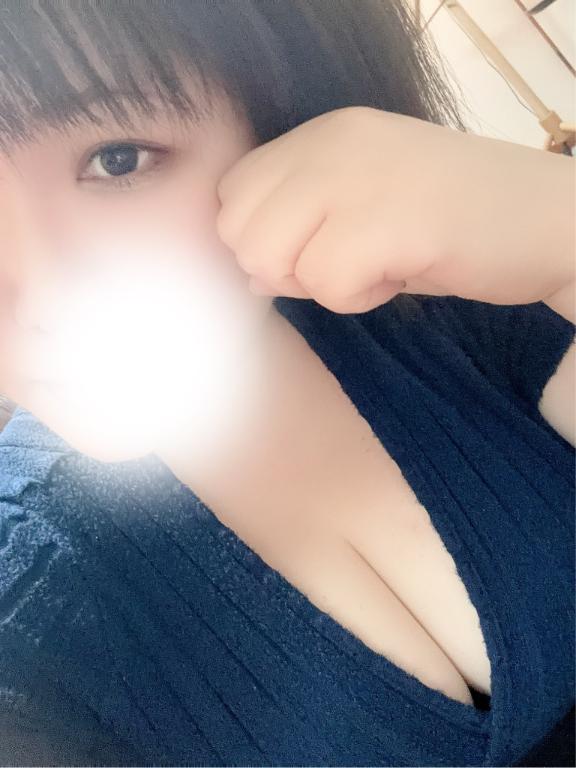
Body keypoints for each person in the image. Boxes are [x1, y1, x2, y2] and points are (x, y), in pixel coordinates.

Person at [0, 1, 574, 765]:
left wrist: (562, 221)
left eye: (118, 159)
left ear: (270, 114)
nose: (43, 299)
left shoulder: (441, 301)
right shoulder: (28, 631)